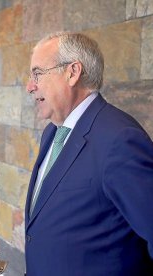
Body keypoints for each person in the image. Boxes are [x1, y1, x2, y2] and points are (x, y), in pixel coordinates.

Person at [24, 31, 153, 275]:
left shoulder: (120, 140)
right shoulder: (52, 132)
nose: (30, 86)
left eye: (37, 74)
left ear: (72, 72)